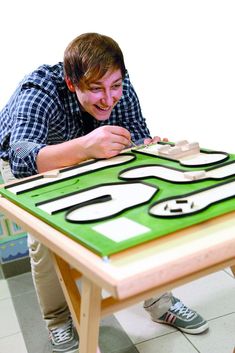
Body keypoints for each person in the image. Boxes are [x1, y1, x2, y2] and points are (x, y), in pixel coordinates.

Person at [0, 33, 208, 353]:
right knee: (44, 237)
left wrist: (148, 148)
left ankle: (160, 303)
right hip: (28, 163)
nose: (108, 98)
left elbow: (136, 139)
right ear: (72, 84)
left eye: (115, 86)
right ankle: (58, 321)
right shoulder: (38, 92)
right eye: (95, 88)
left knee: (142, 202)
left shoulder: (118, 88)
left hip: (87, 154)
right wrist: (86, 146)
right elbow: (23, 160)